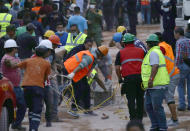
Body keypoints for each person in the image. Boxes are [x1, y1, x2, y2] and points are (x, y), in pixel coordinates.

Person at [7, 45, 51, 131]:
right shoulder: (46, 63)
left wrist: (8, 62)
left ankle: (31, 127)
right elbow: (46, 77)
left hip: (26, 88)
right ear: (44, 53)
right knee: (37, 110)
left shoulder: (28, 60)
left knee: (31, 108)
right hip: (38, 88)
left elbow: (15, 66)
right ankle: (33, 128)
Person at [62, 45, 109, 113]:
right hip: (71, 70)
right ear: (101, 55)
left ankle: (87, 108)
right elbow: (81, 65)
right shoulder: (90, 57)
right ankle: (74, 107)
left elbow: (92, 73)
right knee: (79, 89)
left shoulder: (93, 57)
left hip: (77, 72)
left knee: (86, 88)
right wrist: (73, 73)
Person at [142, 34, 170, 131]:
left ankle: (162, 127)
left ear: (149, 44)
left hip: (156, 84)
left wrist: (150, 79)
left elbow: (155, 66)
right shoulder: (153, 52)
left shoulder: (153, 52)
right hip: (152, 86)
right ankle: (155, 125)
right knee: (148, 106)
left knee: (157, 107)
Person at [115, 33, 145, 121]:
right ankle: (140, 118)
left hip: (128, 79)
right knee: (140, 98)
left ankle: (133, 119)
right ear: (133, 41)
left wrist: (120, 79)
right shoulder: (141, 51)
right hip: (140, 78)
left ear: (124, 43)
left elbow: (117, 68)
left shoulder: (120, 52)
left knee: (131, 99)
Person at [155, 32, 180, 126]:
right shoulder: (166, 45)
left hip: (171, 75)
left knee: (169, 98)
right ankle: (174, 119)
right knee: (168, 97)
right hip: (174, 73)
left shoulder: (160, 48)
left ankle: (175, 120)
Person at [1, 39, 26, 131]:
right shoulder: (6, 59)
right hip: (10, 87)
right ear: (13, 49)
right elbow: (12, 65)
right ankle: (12, 124)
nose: (17, 50)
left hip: (16, 86)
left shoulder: (16, 57)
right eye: (16, 48)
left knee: (22, 105)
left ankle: (16, 123)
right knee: (17, 106)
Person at [174, 27, 190, 111]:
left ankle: (182, 105)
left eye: (175, 33)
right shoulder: (188, 40)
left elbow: (179, 55)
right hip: (189, 64)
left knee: (180, 85)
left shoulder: (179, 42)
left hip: (182, 65)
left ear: (178, 33)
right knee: (189, 85)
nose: (174, 35)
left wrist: (176, 66)